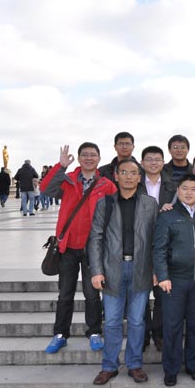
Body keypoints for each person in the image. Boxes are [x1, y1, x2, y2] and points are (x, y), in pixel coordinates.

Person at [40, 143, 117, 354]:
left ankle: (94, 332)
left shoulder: (106, 185)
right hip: (68, 246)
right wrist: (61, 166)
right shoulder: (68, 180)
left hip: (94, 248)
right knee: (65, 293)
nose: (89, 158)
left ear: (99, 158)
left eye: (93, 155)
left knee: (92, 294)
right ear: (79, 158)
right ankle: (60, 334)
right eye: (85, 155)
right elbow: (46, 188)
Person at [88, 158, 158, 385]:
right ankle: (109, 366)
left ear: (140, 177)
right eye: (124, 172)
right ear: (116, 176)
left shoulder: (150, 204)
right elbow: (96, 238)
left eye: (133, 173)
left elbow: (157, 240)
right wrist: (96, 270)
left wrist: (157, 269)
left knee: (137, 321)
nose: (128, 176)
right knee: (111, 322)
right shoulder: (105, 203)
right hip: (112, 270)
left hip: (141, 269)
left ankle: (134, 364)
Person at [153, 173, 195, 387]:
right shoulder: (168, 215)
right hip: (174, 281)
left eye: (193, 189)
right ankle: (171, 369)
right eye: (184, 188)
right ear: (178, 191)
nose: (189, 192)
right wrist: (163, 276)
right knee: (172, 326)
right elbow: (158, 248)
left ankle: (194, 366)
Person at [140, 145, 177, 351]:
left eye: (157, 159)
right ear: (142, 163)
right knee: (141, 295)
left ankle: (159, 334)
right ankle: (144, 334)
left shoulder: (174, 186)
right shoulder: (135, 184)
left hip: (165, 246)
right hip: (141, 246)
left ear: (163, 162)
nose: (153, 163)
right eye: (149, 159)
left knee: (163, 294)